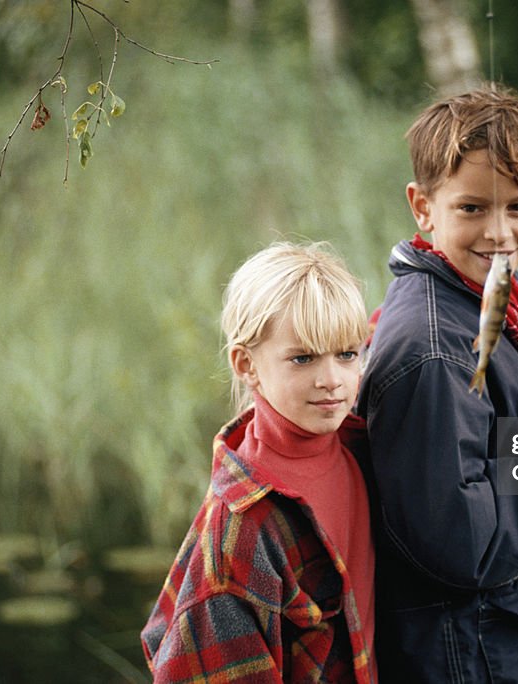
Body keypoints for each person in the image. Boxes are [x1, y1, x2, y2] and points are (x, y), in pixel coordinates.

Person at [357, 85, 518, 683]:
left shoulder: (486, 303)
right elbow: (468, 543)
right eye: (472, 208)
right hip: (488, 656)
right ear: (422, 207)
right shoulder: (435, 352)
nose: (500, 233)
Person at [142, 242, 377, 683]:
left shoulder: (359, 444)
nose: (332, 381)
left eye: (347, 354)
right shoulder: (242, 530)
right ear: (246, 364)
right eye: (303, 358)